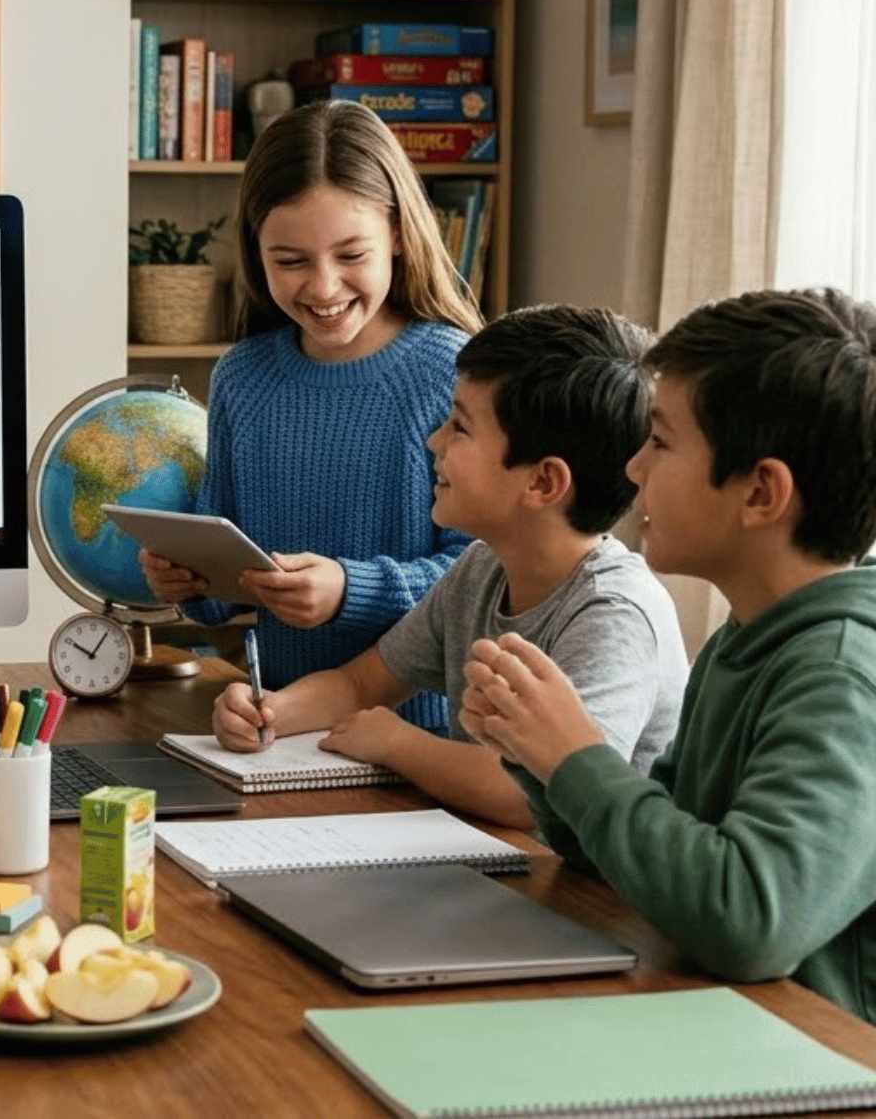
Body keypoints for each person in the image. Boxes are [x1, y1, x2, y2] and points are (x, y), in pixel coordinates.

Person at [460, 288, 876, 1024]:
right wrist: (536, 750)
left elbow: (751, 920)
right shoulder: (746, 637)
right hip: (719, 1022)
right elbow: (653, 860)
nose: (633, 468)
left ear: (760, 492)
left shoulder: (841, 673)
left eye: (661, 440)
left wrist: (576, 756)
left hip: (816, 1059)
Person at [209, 305, 688, 827]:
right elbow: (361, 685)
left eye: (459, 426)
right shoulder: (482, 568)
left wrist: (399, 743)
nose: (434, 441)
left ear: (543, 483)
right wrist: (267, 712)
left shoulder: (614, 614)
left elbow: (535, 794)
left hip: (582, 898)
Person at [139, 100, 482, 729]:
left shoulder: (453, 371)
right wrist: (188, 581)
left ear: (400, 234)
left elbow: (488, 575)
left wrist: (353, 591)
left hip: (423, 740)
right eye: (290, 262)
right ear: (256, 250)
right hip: (284, 727)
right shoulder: (243, 378)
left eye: (351, 255)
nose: (323, 289)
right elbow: (228, 582)